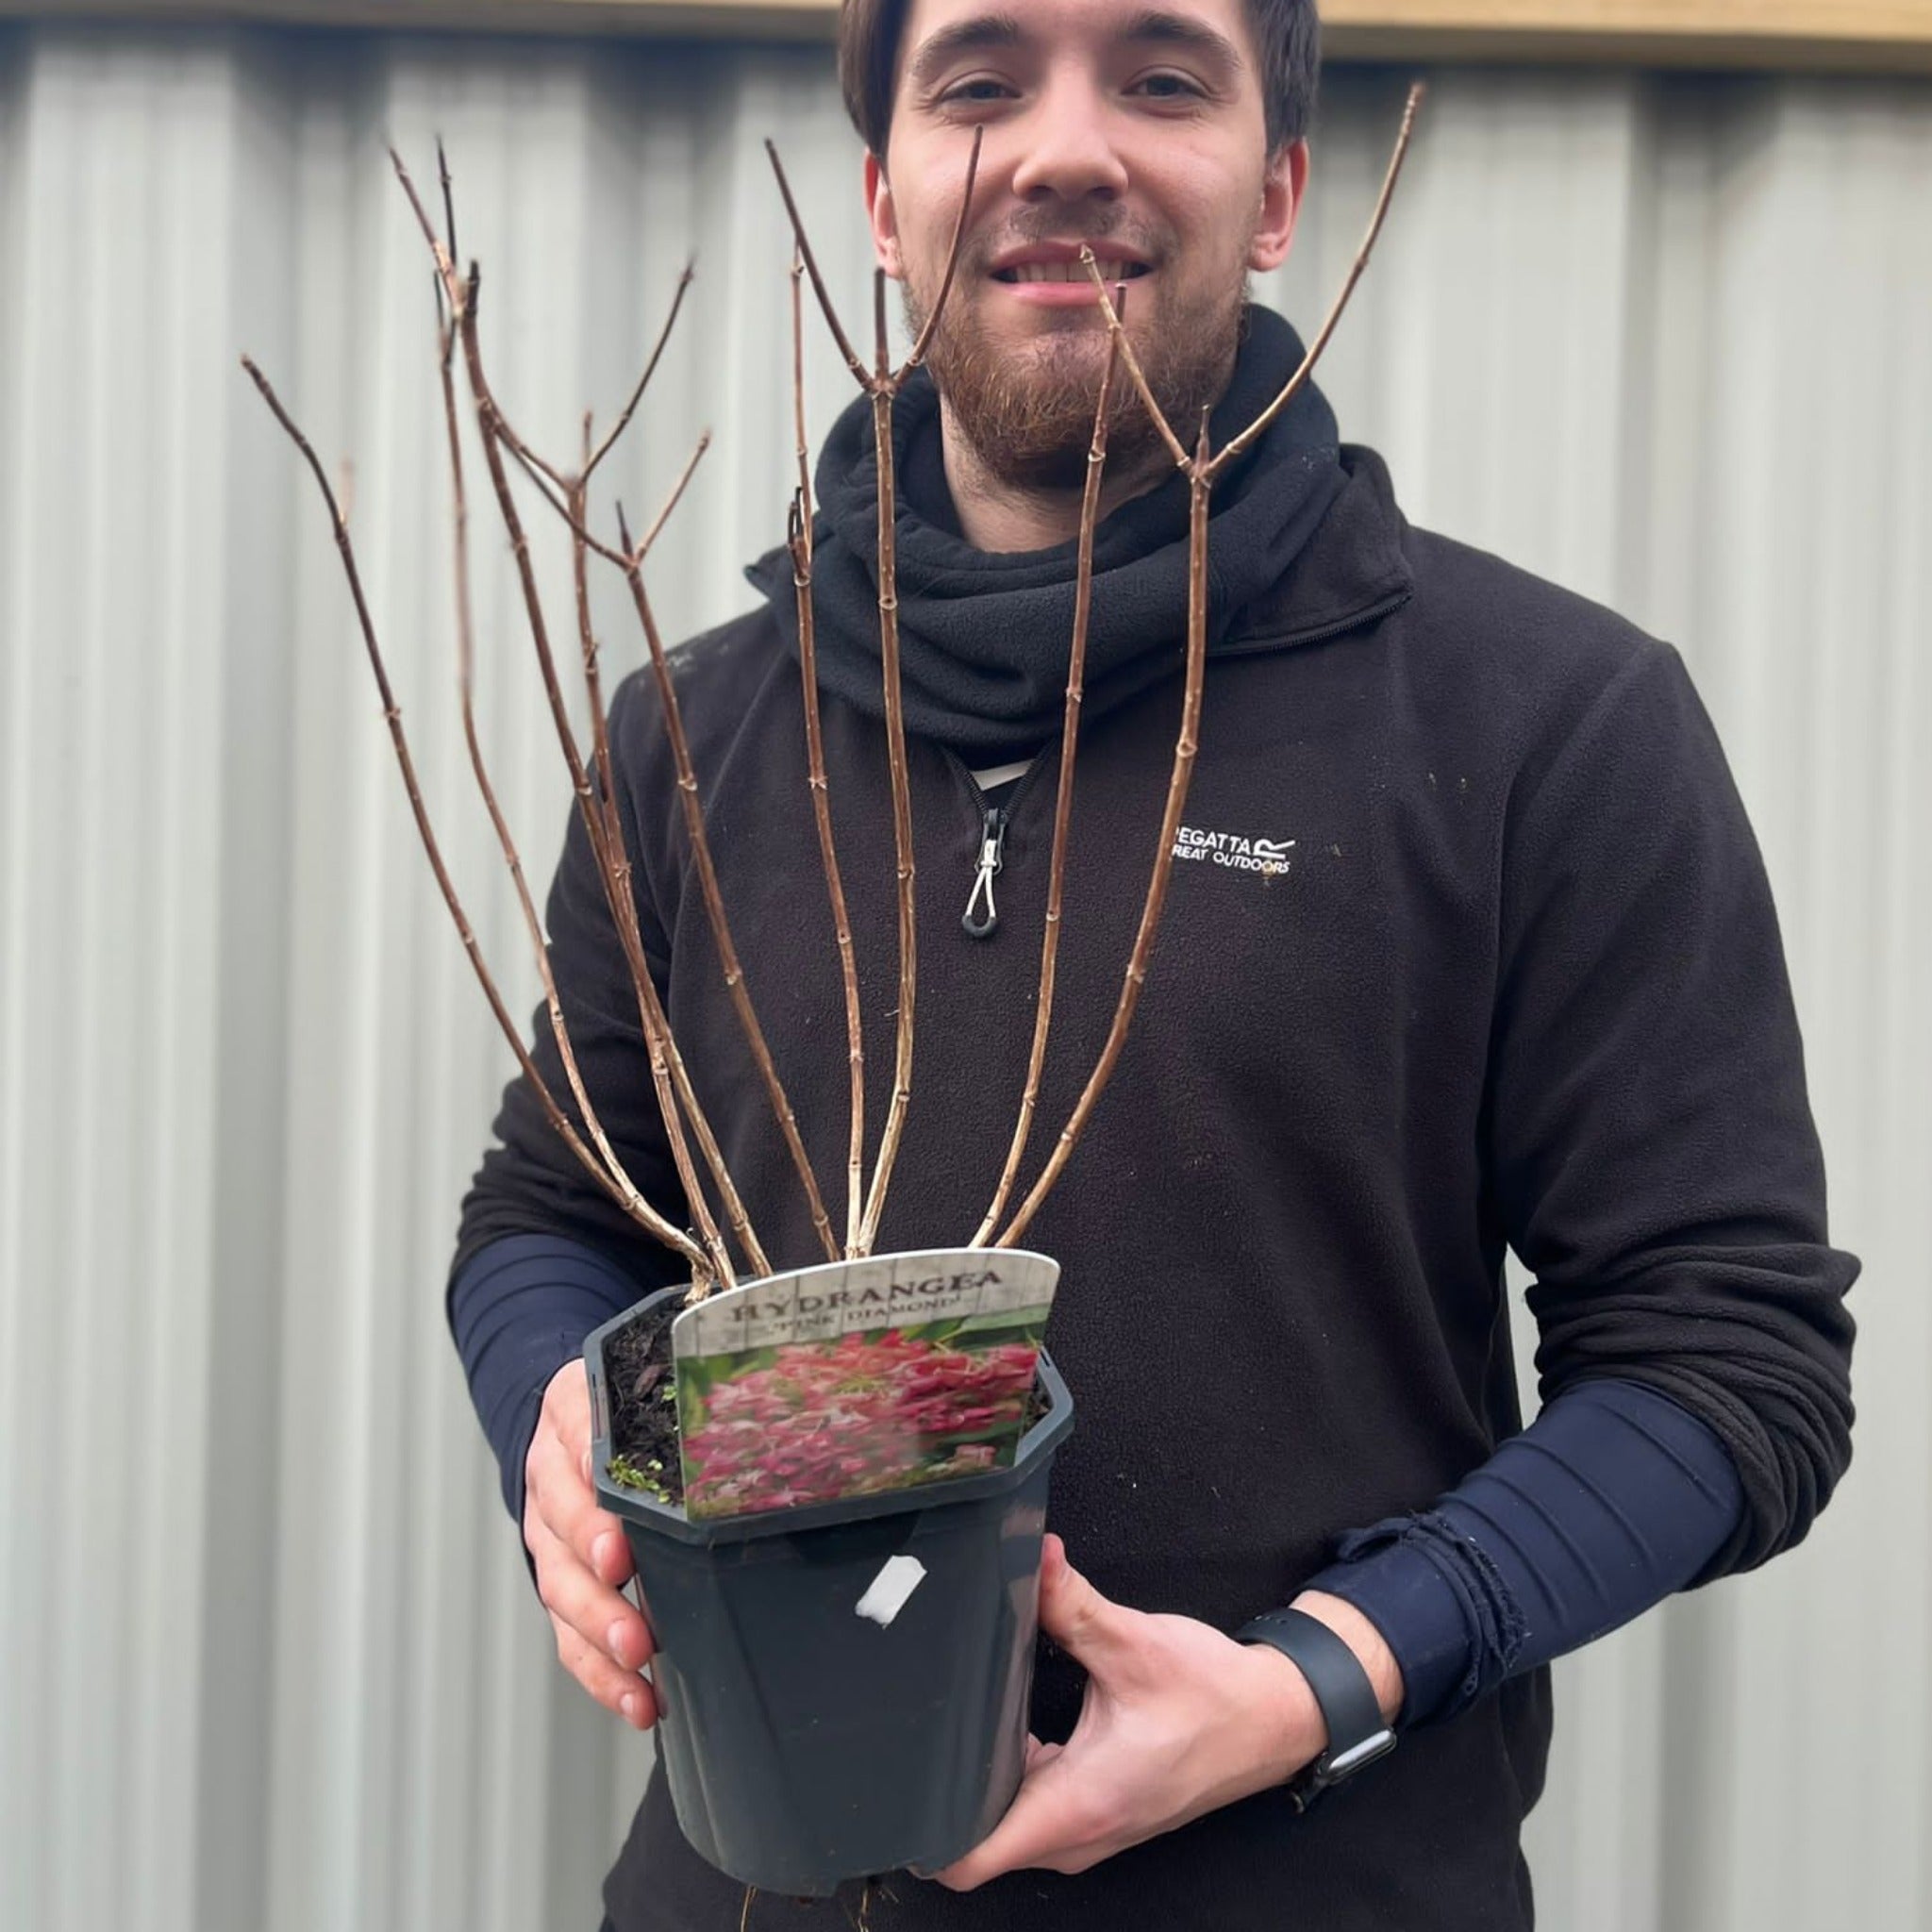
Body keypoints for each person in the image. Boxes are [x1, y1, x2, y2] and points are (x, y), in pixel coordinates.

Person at [447, 2, 1858, 1925]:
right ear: (880, 195)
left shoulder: (1546, 721)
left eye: (1164, 75)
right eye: (979, 80)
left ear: (1278, 189)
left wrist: (1316, 1680)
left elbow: (1727, 1359)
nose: (1063, 146)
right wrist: (564, 1418)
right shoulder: (685, 739)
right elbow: (553, 1212)